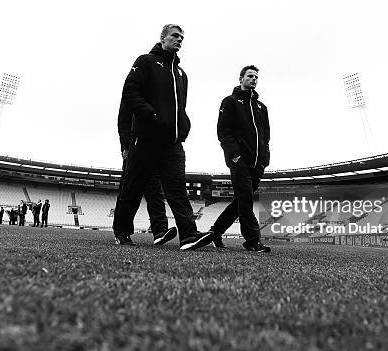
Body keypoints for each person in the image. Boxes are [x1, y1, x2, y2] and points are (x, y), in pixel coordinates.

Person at [112, 24, 213, 250]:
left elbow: (180, 107)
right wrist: (151, 115)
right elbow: (129, 93)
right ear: (163, 38)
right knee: (133, 187)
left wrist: (184, 125)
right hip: (146, 138)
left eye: (182, 37)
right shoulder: (145, 61)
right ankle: (122, 231)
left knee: (177, 188)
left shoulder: (181, 74)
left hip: (172, 142)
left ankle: (189, 235)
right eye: (175, 36)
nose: (179, 40)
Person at [210, 65, 271, 253]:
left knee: (239, 202)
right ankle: (252, 240)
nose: (254, 79)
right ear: (241, 79)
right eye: (250, 76)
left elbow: (266, 135)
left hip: (257, 163)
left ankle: (215, 232)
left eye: (256, 77)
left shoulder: (262, 107)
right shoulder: (230, 102)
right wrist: (234, 155)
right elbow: (223, 132)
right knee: (245, 199)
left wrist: (264, 159)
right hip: (239, 161)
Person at [117, 85, 175, 245]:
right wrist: (125, 146)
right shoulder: (133, 92)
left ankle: (160, 231)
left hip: (155, 147)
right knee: (130, 190)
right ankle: (121, 231)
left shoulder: (159, 94)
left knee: (155, 190)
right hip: (135, 146)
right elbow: (123, 119)